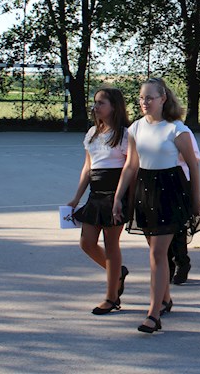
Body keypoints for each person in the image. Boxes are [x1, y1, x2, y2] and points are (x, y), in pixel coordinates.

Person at [112, 78, 200, 334]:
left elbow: (193, 165)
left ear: (163, 99)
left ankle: (153, 314)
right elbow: (131, 165)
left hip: (170, 191)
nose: (145, 102)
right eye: (142, 98)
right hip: (145, 190)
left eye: (150, 98)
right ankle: (165, 299)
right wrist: (118, 197)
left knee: (157, 254)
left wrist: (196, 198)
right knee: (155, 251)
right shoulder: (136, 128)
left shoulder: (176, 129)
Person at [67, 88, 130, 315]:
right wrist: (76, 197)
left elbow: (129, 167)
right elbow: (88, 167)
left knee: (112, 245)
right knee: (87, 242)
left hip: (115, 195)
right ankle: (117, 273)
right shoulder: (93, 133)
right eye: (95, 102)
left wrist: (120, 198)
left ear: (114, 106)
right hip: (95, 195)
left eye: (101, 103)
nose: (96, 107)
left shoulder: (124, 134)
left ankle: (111, 297)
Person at [168, 119, 200, 285]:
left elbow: (195, 158)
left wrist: (172, 152)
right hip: (157, 184)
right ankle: (166, 266)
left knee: (178, 228)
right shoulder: (148, 128)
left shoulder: (182, 130)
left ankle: (182, 262)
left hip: (180, 183)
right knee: (161, 230)